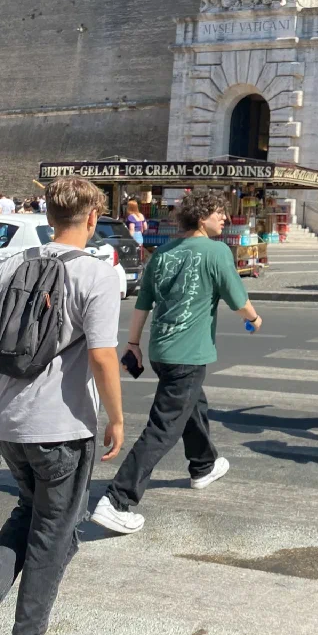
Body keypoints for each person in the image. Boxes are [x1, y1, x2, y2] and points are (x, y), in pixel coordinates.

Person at [0, 177, 124, 635]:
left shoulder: (9, 264)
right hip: (61, 427)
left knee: (28, 515)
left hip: (9, 422)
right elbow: (101, 355)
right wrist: (115, 417)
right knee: (54, 532)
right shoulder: (96, 274)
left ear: (48, 216)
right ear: (92, 218)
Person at [91, 192, 262, 535]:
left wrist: (134, 344)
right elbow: (238, 301)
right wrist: (255, 319)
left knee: (193, 405)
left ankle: (203, 465)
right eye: (219, 213)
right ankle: (117, 499)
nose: (224, 218)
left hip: (161, 351)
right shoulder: (216, 252)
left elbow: (143, 303)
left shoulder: (162, 254)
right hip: (189, 353)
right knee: (163, 427)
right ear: (202, 218)